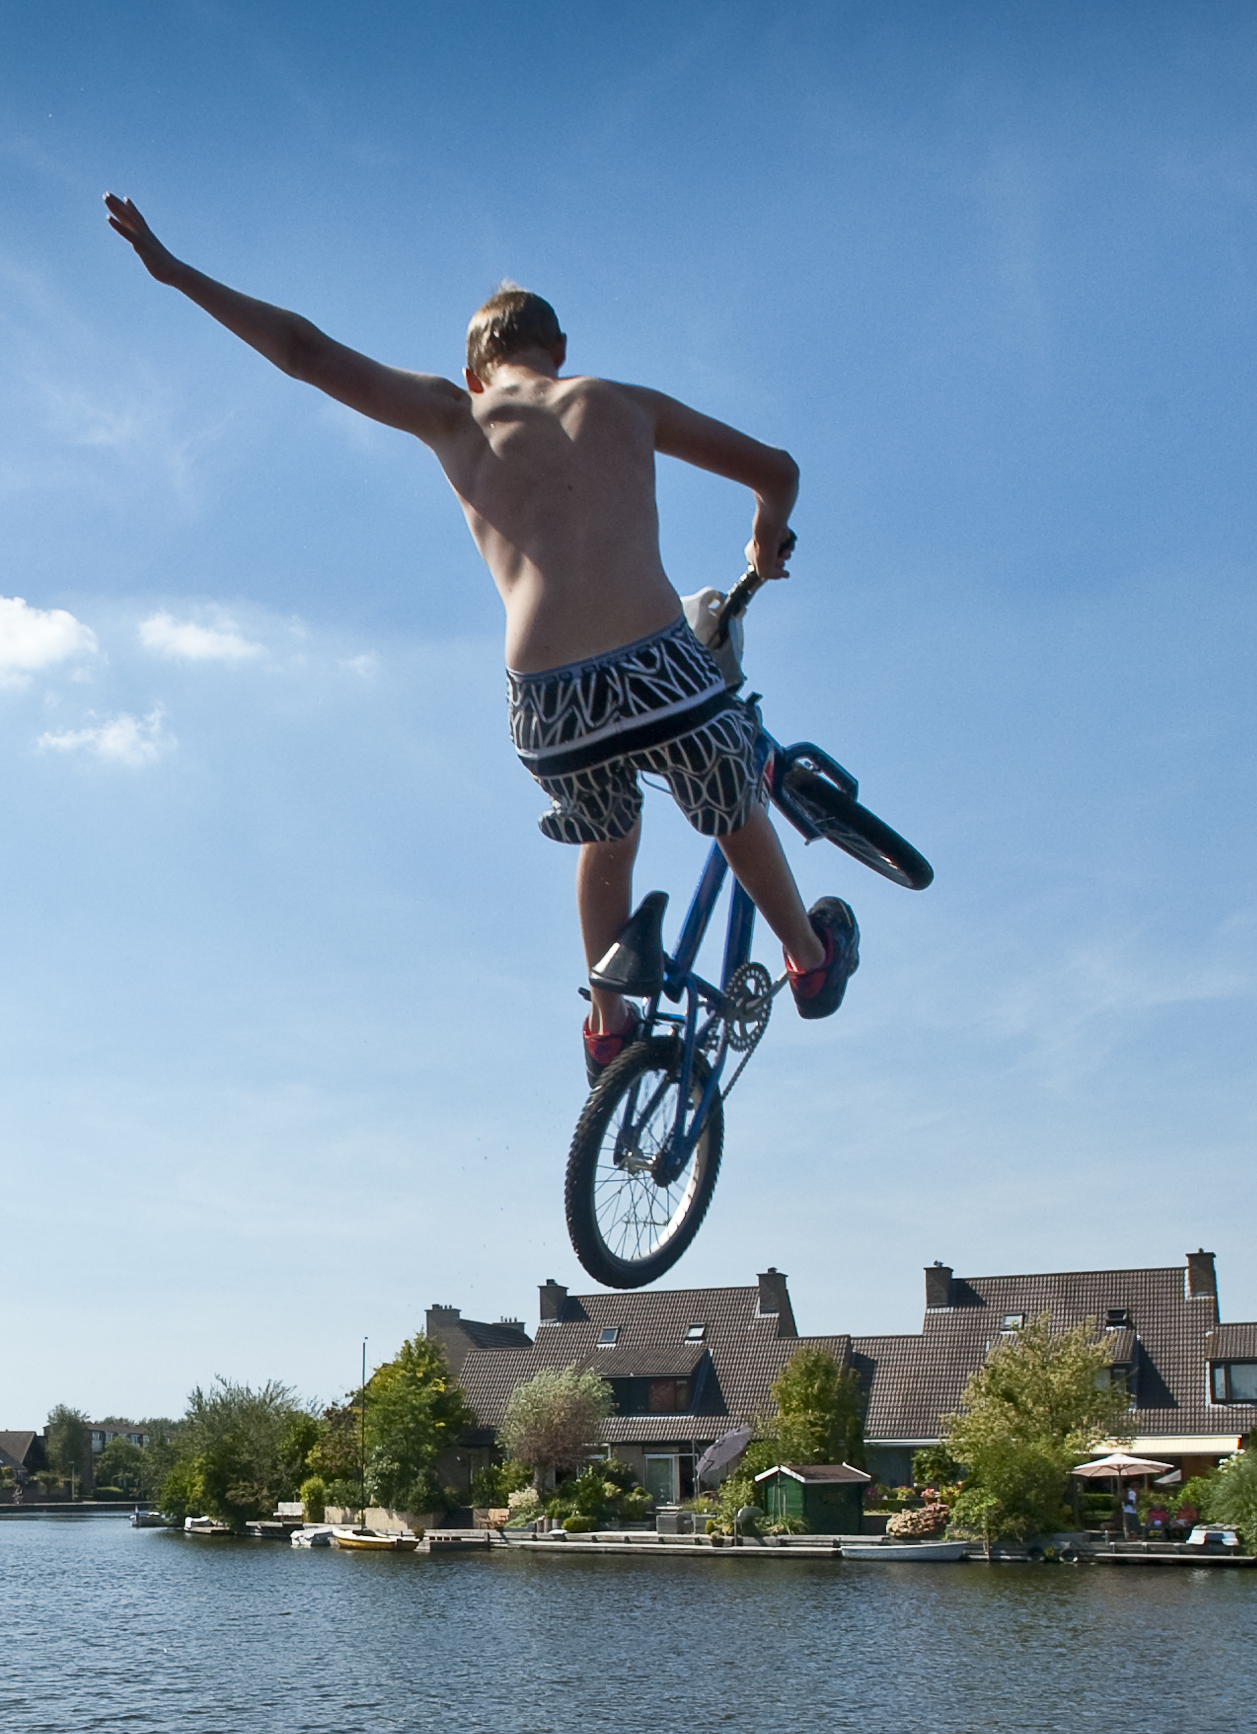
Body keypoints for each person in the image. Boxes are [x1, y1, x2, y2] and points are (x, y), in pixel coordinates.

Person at [104, 197, 858, 1080]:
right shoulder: (623, 403)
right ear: (560, 351)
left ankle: (607, 1024)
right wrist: (765, 540)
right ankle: (807, 961)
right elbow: (779, 471)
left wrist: (175, 270)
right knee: (729, 797)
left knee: (605, 836)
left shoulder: (452, 418)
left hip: (546, 701)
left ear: (473, 373)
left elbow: (305, 353)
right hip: (659, 665)